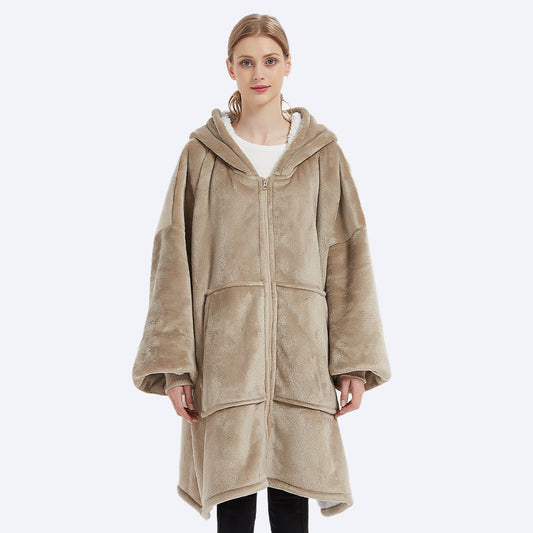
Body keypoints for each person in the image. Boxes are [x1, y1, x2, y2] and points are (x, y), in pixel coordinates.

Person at [132, 13, 392, 533]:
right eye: (247, 62)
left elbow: (348, 259)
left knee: (293, 506)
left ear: (288, 65)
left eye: (270, 61)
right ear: (229, 68)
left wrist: (353, 361)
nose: (259, 73)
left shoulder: (322, 156)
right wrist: (177, 367)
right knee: (233, 507)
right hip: (226, 360)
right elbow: (173, 260)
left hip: (302, 359)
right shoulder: (201, 156)